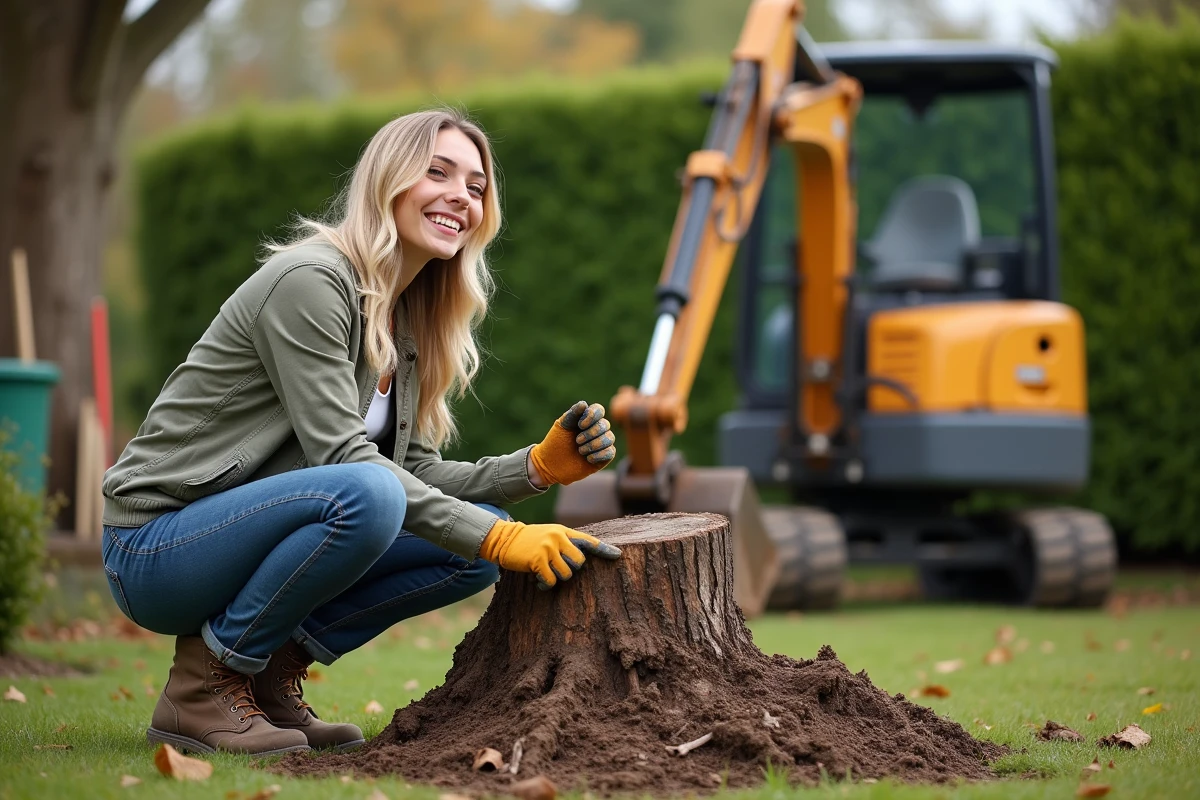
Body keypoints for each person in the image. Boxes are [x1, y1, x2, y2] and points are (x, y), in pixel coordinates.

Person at [100, 108, 622, 757]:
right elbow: (346, 460)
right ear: (388, 180)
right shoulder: (311, 282)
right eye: (438, 172)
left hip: (241, 533)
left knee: (468, 546)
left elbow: (416, 474)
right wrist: (502, 538)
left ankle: (265, 677)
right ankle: (202, 688)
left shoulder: (407, 319)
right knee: (376, 498)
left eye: (476, 186)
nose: (461, 196)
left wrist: (535, 469)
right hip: (156, 546)